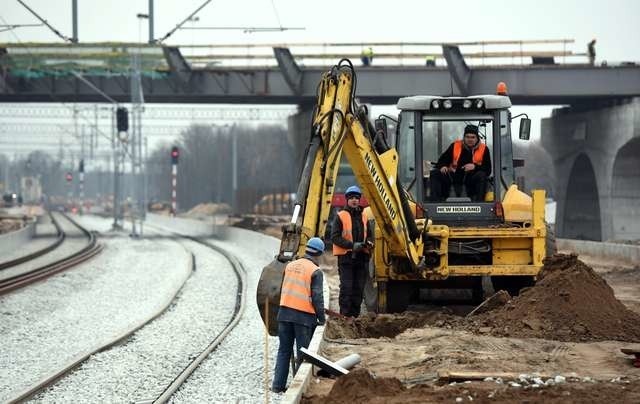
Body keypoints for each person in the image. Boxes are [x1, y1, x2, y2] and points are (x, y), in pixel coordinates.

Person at [272, 237, 326, 394]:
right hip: (302, 318)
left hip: (284, 314)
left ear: (307, 249)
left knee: (284, 350)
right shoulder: (315, 271)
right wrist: (321, 318)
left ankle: (277, 386)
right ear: (320, 253)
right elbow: (317, 297)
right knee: (303, 353)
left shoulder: (290, 266)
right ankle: (297, 389)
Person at [331, 185, 373, 318]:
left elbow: (370, 234)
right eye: (352, 198)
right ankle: (344, 317)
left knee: (358, 289)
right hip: (346, 258)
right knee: (347, 289)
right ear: (347, 200)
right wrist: (352, 245)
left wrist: (369, 242)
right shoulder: (340, 216)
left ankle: (354, 318)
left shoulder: (364, 216)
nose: (354, 200)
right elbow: (335, 237)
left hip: (361, 258)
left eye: (357, 198)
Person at [429, 124, 491, 202]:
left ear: (477, 138)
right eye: (467, 137)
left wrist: (475, 167)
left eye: (473, 137)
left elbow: (488, 169)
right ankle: (435, 204)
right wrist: (443, 166)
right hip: (453, 178)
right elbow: (442, 161)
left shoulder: (484, 149)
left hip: (471, 181)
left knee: (482, 175)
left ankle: (480, 204)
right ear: (464, 137)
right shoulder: (455, 146)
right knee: (435, 173)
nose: (470, 139)